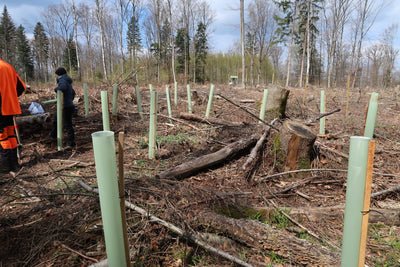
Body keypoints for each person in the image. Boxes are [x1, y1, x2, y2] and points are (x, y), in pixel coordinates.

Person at [0, 57, 26, 174]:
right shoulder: (9, 67)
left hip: (0, 109)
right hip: (10, 109)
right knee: (10, 136)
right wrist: (10, 97)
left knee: (2, 137)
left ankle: (5, 167)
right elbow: (22, 88)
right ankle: (14, 164)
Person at [49, 67, 76, 148]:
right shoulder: (67, 81)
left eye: (56, 74)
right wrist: (70, 100)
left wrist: (55, 89)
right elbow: (73, 93)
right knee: (56, 119)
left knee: (68, 125)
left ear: (59, 74)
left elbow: (62, 88)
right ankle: (53, 136)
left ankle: (71, 143)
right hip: (68, 105)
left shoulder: (62, 80)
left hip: (66, 107)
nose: (55, 76)